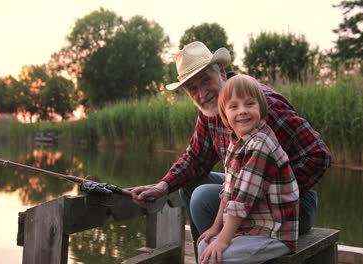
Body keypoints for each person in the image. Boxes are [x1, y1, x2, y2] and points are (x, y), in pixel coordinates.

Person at [131, 41, 331, 259]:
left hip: (292, 208)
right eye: (192, 89)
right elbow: (195, 159)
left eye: (205, 81)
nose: (202, 93)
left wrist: (267, 194)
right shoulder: (213, 111)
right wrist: (162, 187)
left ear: (222, 72)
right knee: (188, 185)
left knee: (201, 196)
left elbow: (318, 155)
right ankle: (209, 254)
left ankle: (222, 251)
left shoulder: (259, 106)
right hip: (247, 193)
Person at [196, 74, 299, 264]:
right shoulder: (236, 143)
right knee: (204, 245)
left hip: (274, 233)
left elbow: (241, 201)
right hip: (251, 228)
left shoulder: (260, 145)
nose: (242, 111)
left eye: (249, 104)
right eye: (234, 106)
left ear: (261, 107)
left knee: (214, 256)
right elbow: (228, 191)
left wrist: (223, 240)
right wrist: (215, 228)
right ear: (224, 114)